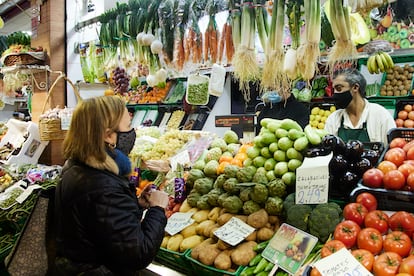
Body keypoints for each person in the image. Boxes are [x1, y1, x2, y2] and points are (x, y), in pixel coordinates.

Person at [54, 96, 169, 275]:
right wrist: (157, 210)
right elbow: (138, 254)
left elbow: (105, 226)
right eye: (128, 125)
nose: (132, 132)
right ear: (108, 135)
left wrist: (136, 205)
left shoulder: (76, 166)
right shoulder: (102, 186)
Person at [324, 68, 396, 144]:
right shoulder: (333, 119)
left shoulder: (381, 116)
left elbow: (392, 150)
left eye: (339, 88)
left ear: (355, 87)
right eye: (334, 89)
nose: (335, 94)